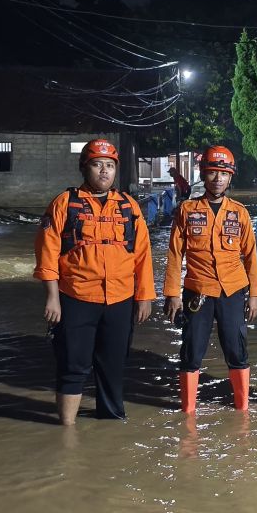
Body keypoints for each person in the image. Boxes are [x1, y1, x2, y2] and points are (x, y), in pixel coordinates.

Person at [34, 139, 155, 425]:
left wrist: (145, 297)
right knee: (72, 365)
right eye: (97, 164)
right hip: (76, 299)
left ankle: (111, 425)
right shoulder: (65, 203)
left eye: (110, 166)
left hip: (119, 300)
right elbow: (47, 253)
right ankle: (67, 430)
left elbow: (143, 256)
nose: (104, 171)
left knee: (113, 366)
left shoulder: (129, 207)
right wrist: (52, 297)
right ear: (84, 167)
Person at [164, 145, 257, 413]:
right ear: (203, 174)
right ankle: (188, 413)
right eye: (212, 173)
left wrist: (254, 294)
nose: (218, 178)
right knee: (191, 352)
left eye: (223, 173)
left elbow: (251, 256)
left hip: (233, 292)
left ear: (231, 177)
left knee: (236, 350)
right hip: (198, 292)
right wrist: (172, 294)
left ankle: (242, 411)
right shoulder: (186, 210)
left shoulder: (239, 212)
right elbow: (174, 254)